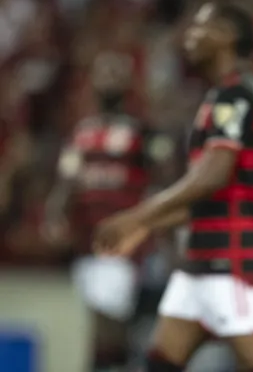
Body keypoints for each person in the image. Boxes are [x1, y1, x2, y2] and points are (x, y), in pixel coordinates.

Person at [94, 2, 253, 372]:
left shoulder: (238, 95)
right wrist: (143, 226)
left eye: (200, 29)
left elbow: (212, 176)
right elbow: (205, 196)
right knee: (160, 363)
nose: (189, 37)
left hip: (235, 259)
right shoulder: (219, 97)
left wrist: (138, 214)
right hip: (201, 259)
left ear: (227, 36)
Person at [43, 51, 173, 372]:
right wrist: (54, 213)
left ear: (129, 83)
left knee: (108, 321)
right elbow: (67, 180)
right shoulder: (82, 133)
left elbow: (165, 176)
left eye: (117, 73)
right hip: (86, 240)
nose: (110, 79)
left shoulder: (142, 131)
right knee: (92, 324)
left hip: (123, 244)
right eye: (104, 72)